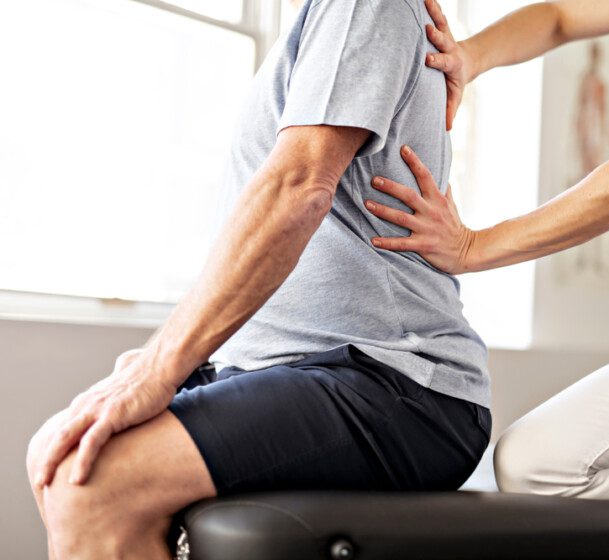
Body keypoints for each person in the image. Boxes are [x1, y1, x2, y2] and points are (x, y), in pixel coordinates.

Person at [25, 1, 493, 557]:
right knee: (57, 452)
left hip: (398, 378)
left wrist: (161, 365)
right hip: (297, 365)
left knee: (94, 480)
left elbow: (298, 188)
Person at [367, 0, 609, 498]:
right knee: (529, 463)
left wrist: (472, 247)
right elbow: (560, 14)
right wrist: (468, 57)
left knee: (535, 466)